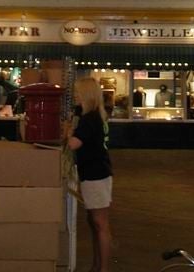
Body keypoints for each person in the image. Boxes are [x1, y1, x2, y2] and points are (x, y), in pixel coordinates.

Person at [66, 76, 112, 272]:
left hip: (95, 175)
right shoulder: (96, 116)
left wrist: (67, 132)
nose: (75, 96)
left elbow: (73, 144)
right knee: (95, 222)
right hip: (99, 173)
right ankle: (97, 265)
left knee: (100, 224)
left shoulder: (88, 119)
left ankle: (102, 268)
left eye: (77, 92)